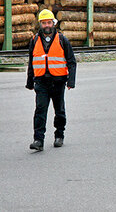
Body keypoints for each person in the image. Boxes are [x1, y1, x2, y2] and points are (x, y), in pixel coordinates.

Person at [26, 9, 76, 151]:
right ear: (40, 24)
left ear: (53, 23)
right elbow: (31, 62)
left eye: (48, 22)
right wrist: (29, 81)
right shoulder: (34, 40)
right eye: (43, 23)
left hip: (58, 81)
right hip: (41, 82)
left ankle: (59, 135)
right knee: (40, 110)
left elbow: (71, 61)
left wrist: (70, 81)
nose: (46, 25)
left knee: (59, 110)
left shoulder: (62, 40)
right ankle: (38, 140)